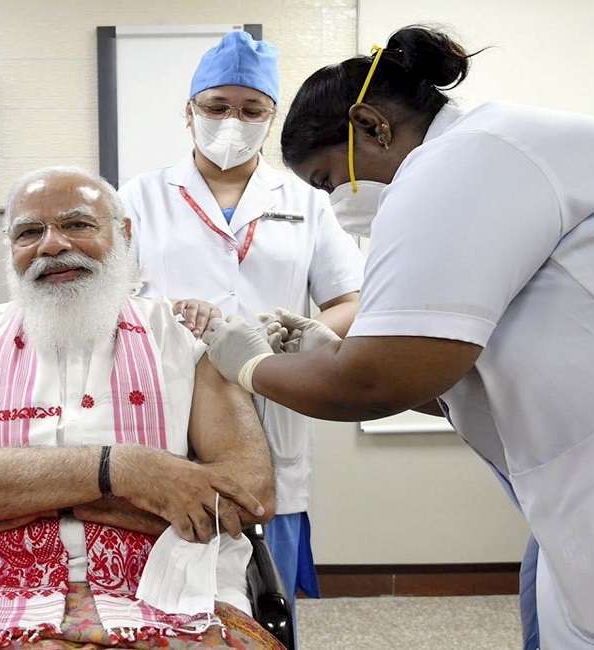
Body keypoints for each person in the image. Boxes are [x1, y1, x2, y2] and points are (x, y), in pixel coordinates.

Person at [201, 24, 594, 650]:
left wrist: (249, 362)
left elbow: (375, 381)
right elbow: (449, 376)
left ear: (372, 126)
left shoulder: (464, 161)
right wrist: (330, 353)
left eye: (328, 181)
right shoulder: (497, 151)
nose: (336, 204)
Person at [0, 167, 281, 649]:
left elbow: (247, 493)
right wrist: (126, 471)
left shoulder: (185, 337)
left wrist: (12, 500)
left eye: (77, 225)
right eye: (30, 232)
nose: (52, 245)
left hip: (170, 588)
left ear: (124, 234)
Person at [119, 30, 364, 611]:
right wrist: (170, 320)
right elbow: (111, 305)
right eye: (217, 106)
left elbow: (352, 299)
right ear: (189, 113)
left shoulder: (306, 200)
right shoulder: (141, 197)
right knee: (168, 587)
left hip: (272, 396)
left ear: (271, 117)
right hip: (167, 400)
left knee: (266, 585)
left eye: (251, 109)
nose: (233, 120)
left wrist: (298, 338)